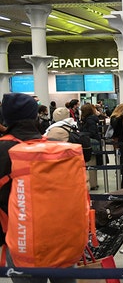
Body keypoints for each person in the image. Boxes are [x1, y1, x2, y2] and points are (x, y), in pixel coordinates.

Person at [0, 93, 77, 283]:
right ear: (35, 116)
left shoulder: (3, 150)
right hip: (61, 236)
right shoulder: (54, 146)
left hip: (21, 237)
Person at [80, 103, 102, 190]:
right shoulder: (90, 119)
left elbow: (92, 132)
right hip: (92, 142)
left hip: (91, 144)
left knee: (91, 164)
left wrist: (81, 134)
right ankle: (93, 183)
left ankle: (93, 184)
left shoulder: (89, 120)